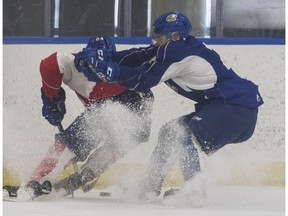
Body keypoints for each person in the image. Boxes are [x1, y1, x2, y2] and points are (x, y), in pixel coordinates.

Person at [72, 11, 264, 198]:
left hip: (236, 106)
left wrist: (109, 71)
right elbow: (138, 55)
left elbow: (144, 79)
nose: (156, 39)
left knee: (184, 135)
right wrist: (106, 59)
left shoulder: (177, 51)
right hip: (229, 105)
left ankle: (194, 191)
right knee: (171, 131)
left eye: (160, 35)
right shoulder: (171, 48)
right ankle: (151, 186)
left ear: (174, 36)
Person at [12, 37, 155, 199]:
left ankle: (44, 181)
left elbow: (51, 64)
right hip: (126, 110)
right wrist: (52, 98)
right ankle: (69, 177)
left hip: (129, 109)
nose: (95, 67)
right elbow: (50, 64)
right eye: (91, 61)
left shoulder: (116, 74)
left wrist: (52, 98)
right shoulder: (77, 64)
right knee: (89, 141)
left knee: (76, 143)